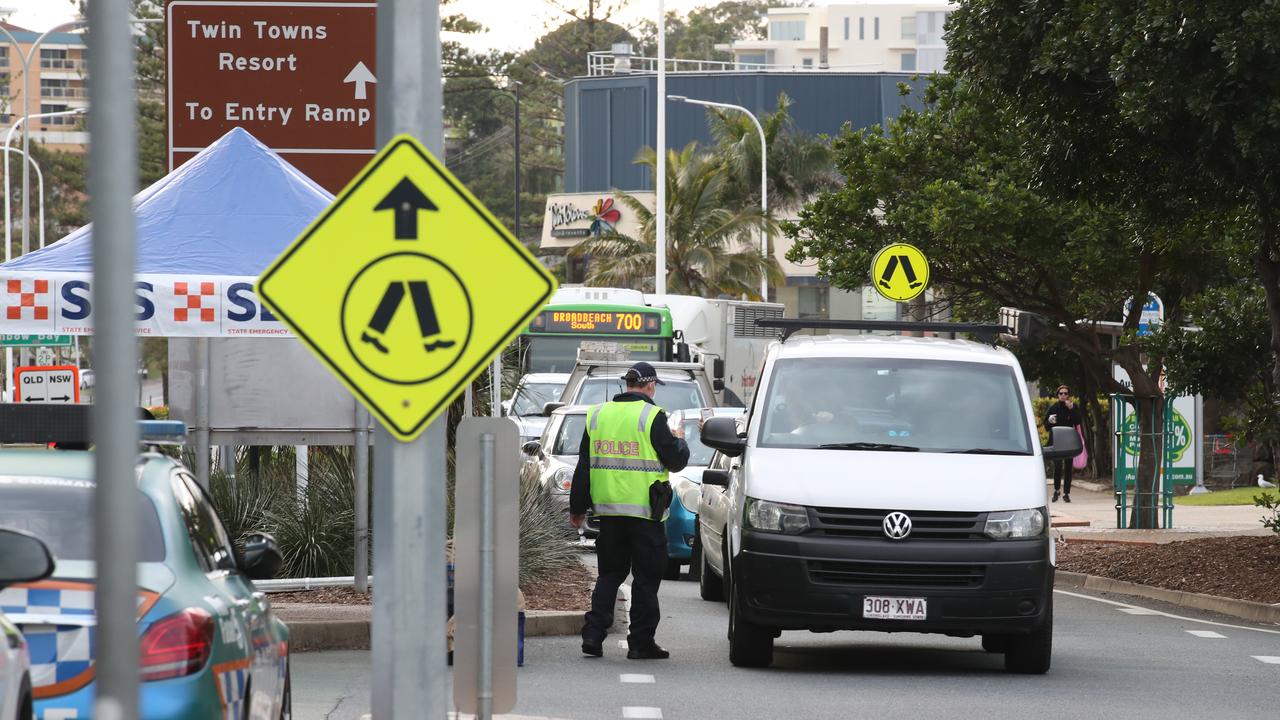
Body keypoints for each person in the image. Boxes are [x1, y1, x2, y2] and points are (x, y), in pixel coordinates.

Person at [569, 361, 689, 660]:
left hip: (608, 514)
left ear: (626, 385)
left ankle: (593, 636)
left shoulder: (598, 415)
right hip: (646, 515)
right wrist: (680, 440)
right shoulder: (652, 416)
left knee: (610, 574)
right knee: (646, 580)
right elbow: (675, 461)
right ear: (650, 386)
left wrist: (577, 508)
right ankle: (640, 643)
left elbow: (584, 465)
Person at [1044, 385, 1082, 502]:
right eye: (1061, 393)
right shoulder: (1053, 408)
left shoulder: (1072, 406)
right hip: (1056, 441)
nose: (1063, 395)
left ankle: (1066, 493)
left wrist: (1072, 409)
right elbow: (1046, 426)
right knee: (1058, 466)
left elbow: (1078, 421)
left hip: (1068, 441)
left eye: (1066, 393)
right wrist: (1050, 422)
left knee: (1068, 468)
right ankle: (1056, 490)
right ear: (1058, 395)